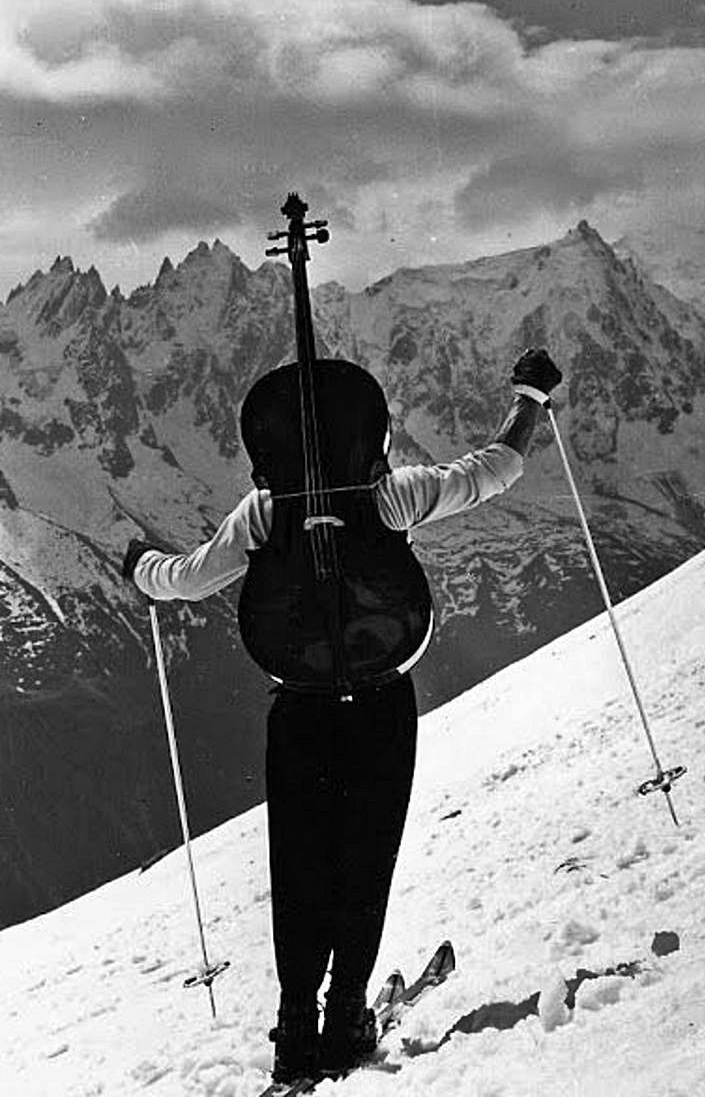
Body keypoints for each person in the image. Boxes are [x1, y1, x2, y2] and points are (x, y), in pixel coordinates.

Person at [122, 346, 562, 1083]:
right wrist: (528, 400)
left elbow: (187, 581)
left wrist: (139, 565)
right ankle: (346, 1014)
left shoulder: (264, 511)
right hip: (381, 700)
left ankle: (294, 1028)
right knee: (367, 857)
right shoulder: (387, 496)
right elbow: (494, 469)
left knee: (299, 866)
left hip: (297, 709)